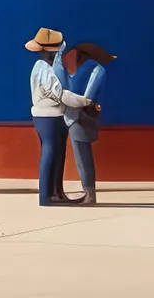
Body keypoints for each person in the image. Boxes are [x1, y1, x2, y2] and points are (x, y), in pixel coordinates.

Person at [26, 27, 96, 206]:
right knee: (50, 152)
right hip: (48, 117)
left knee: (58, 154)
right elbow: (60, 93)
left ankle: (57, 193)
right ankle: (46, 196)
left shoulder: (47, 67)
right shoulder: (44, 69)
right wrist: (84, 101)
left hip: (55, 116)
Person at [55, 42, 115, 206]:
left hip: (79, 115)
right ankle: (88, 192)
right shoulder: (94, 70)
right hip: (84, 115)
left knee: (83, 156)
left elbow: (86, 96)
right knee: (82, 155)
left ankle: (89, 195)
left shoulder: (91, 70)